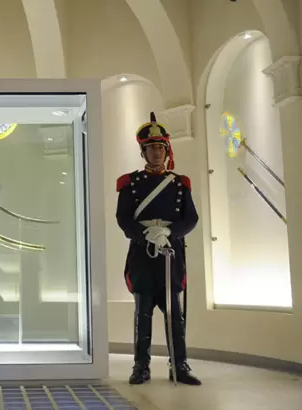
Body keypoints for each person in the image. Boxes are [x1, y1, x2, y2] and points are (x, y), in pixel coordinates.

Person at [115, 112, 201, 386]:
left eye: (161, 148)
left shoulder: (179, 183)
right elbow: (123, 219)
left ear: (166, 151)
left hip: (170, 256)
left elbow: (191, 218)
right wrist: (147, 234)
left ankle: (180, 365)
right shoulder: (130, 183)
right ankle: (141, 367)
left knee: (175, 315)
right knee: (143, 315)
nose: (157, 152)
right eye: (152, 148)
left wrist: (169, 233)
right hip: (143, 256)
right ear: (143, 152)